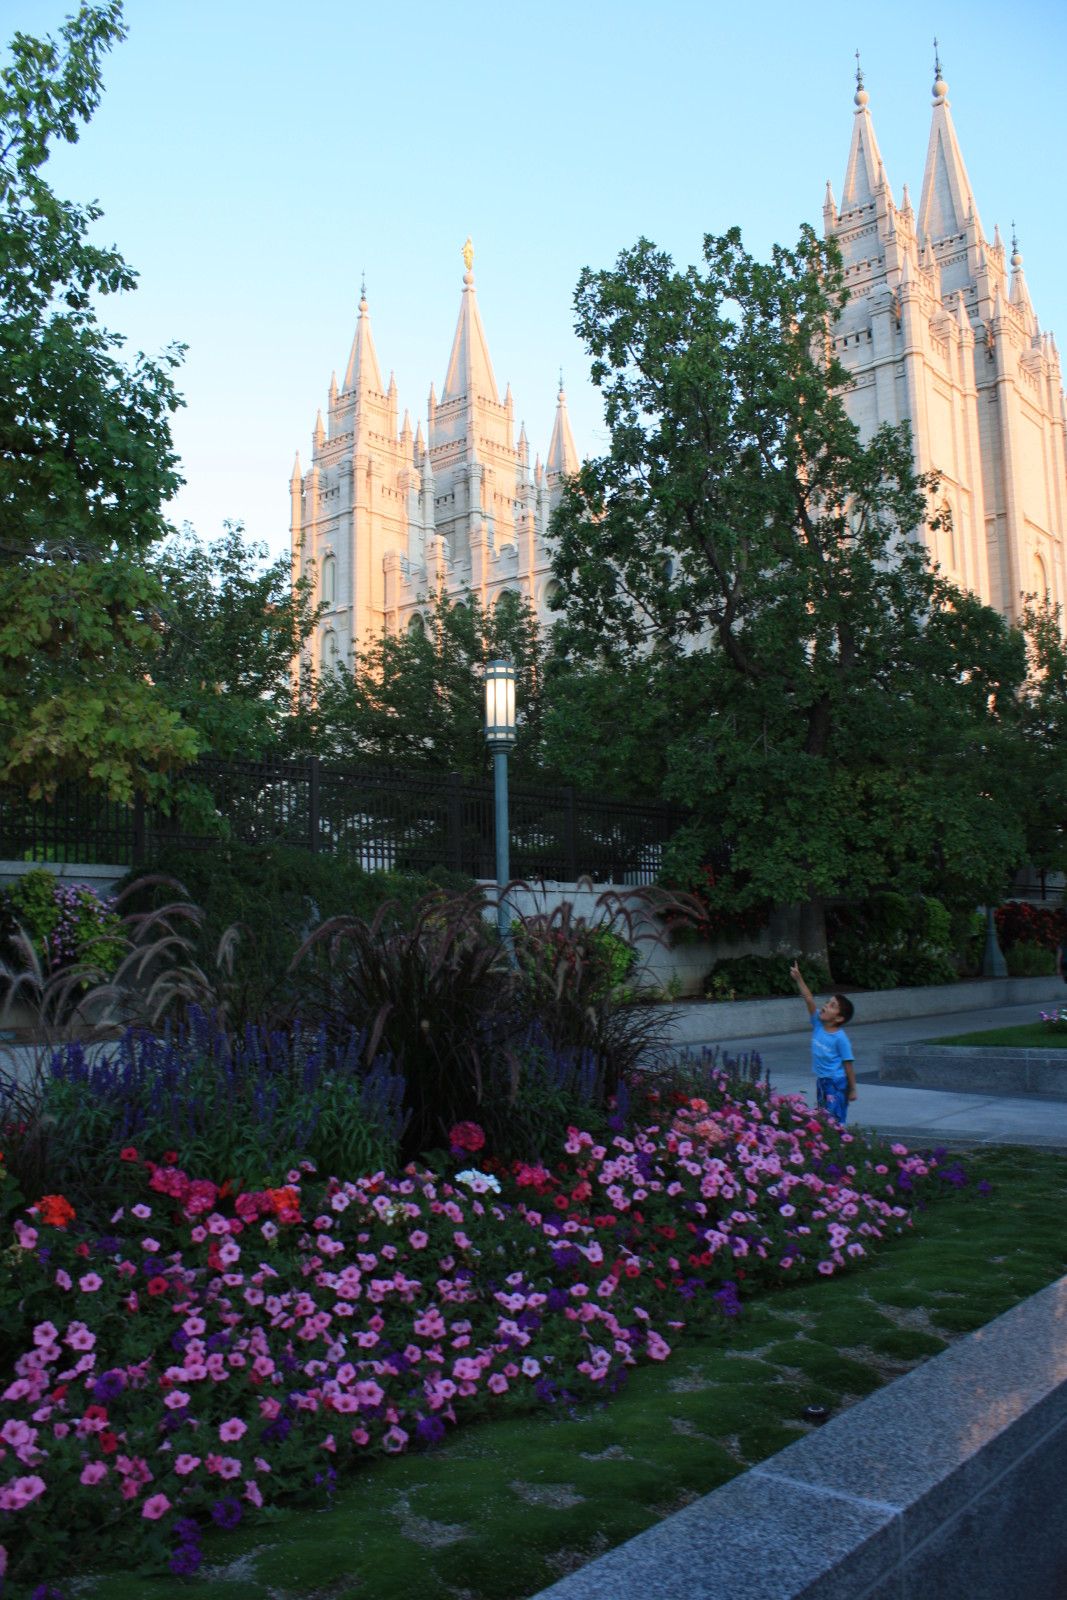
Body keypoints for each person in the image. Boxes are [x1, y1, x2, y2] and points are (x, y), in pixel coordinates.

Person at [789, 961, 857, 1123]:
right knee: (822, 1115)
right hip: (822, 1080)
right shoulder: (818, 1024)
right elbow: (809, 1000)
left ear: (839, 1018)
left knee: (835, 1119)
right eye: (828, 1002)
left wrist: (852, 1089)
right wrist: (799, 979)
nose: (825, 1006)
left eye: (832, 1005)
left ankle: (841, 1141)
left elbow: (848, 1065)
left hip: (837, 1082)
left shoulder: (841, 1039)